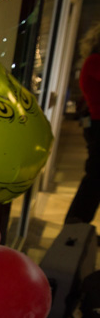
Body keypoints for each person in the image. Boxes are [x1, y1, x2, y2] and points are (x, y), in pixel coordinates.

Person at [65, 21, 100, 225]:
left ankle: (77, 226)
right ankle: (75, 226)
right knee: (94, 178)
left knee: (94, 178)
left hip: (96, 124)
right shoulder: (95, 61)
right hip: (98, 125)